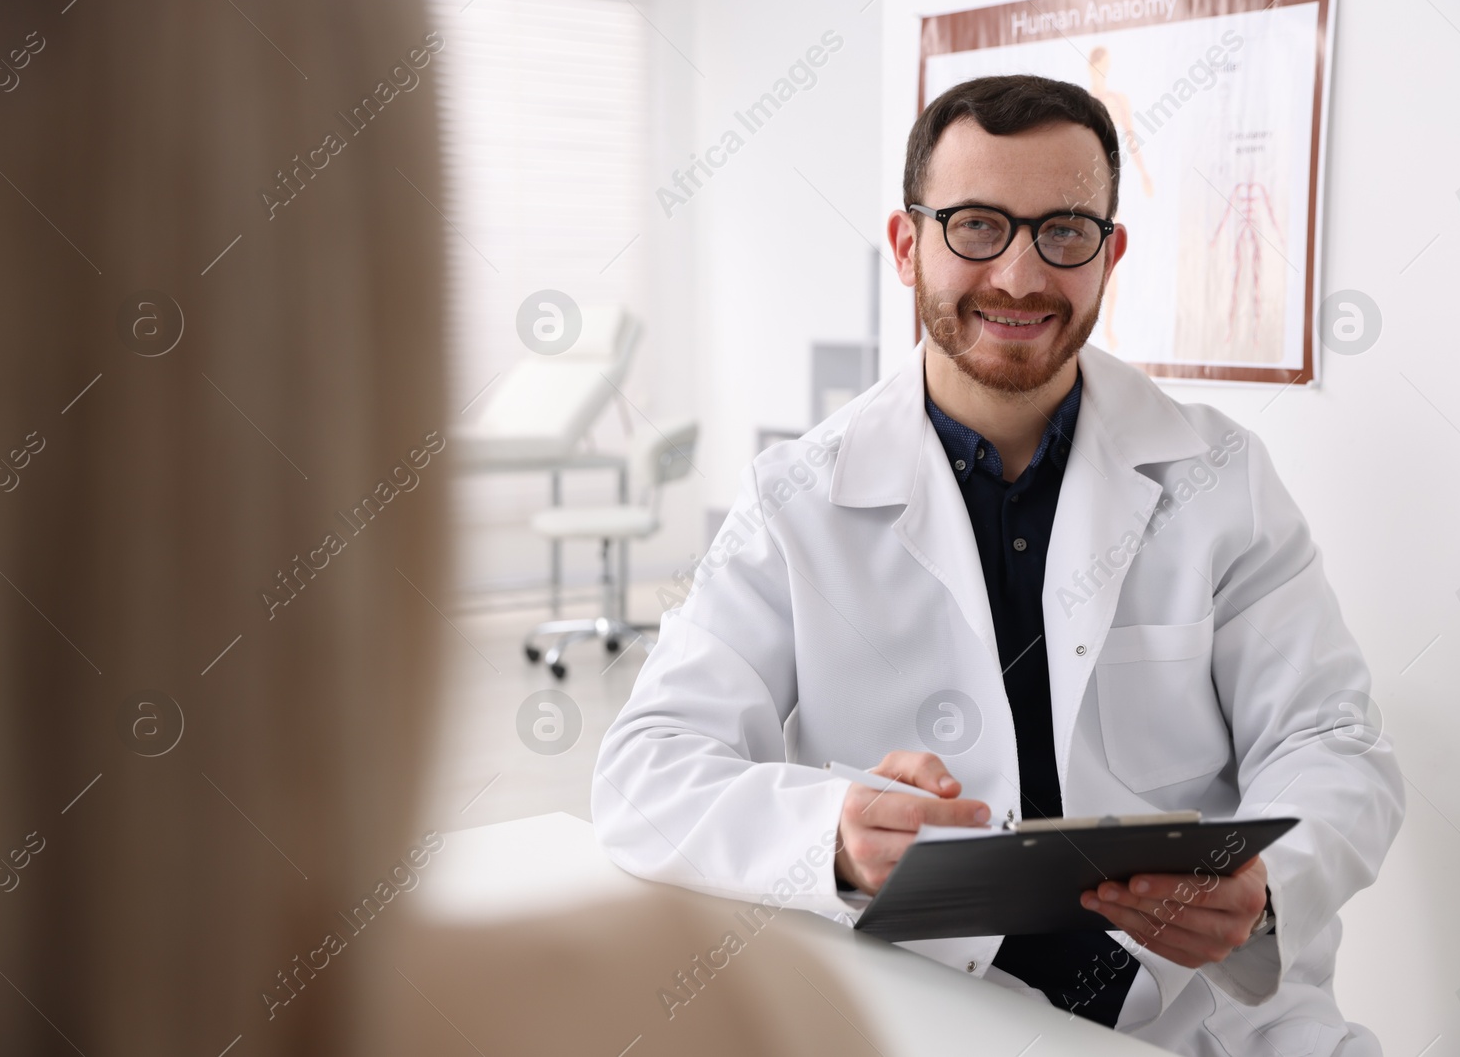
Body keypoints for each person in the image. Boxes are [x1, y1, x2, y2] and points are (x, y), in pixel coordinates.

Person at [592, 74, 1403, 1056]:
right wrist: (834, 836)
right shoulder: (795, 500)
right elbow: (648, 769)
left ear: (1108, 254)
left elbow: (1332, 741)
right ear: (907, 245)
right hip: (933, 1009)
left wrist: (1268, 883)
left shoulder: (1219, 476)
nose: (1019, 275)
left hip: (1209, 1015)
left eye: (1063, 230)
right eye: (976, 225)